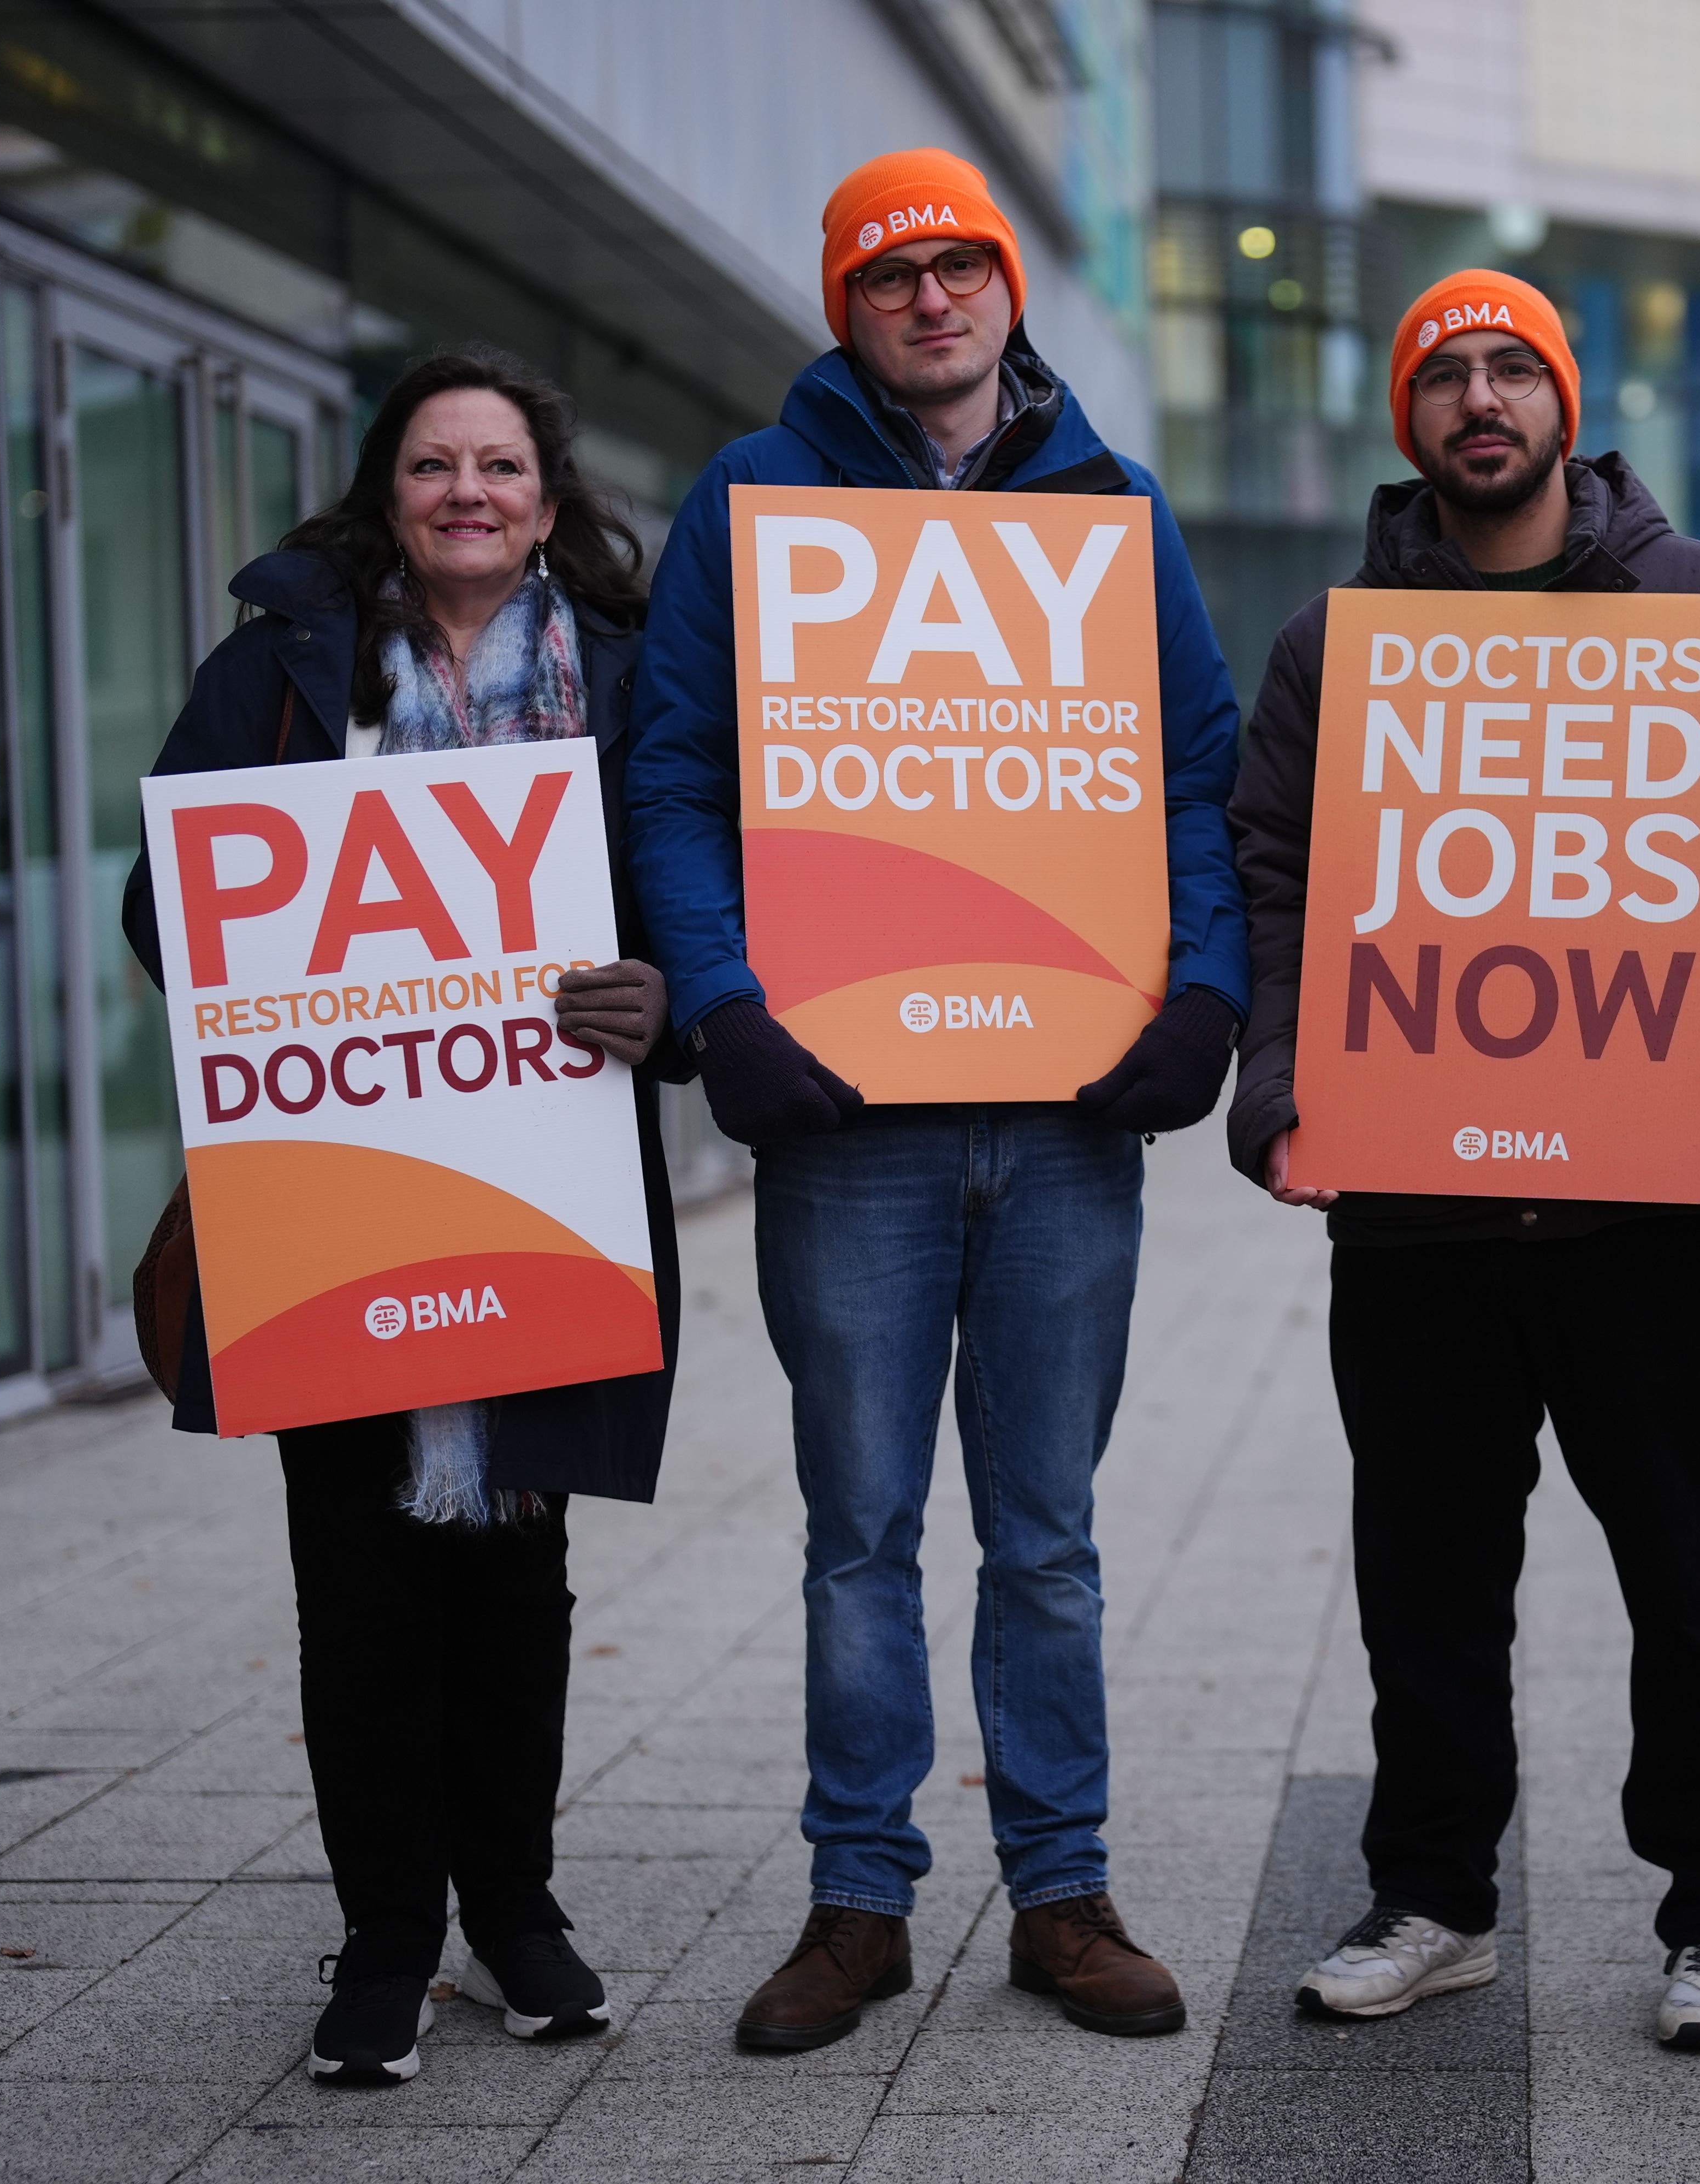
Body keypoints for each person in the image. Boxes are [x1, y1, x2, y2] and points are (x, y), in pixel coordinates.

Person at [623, 150, 1248, 2050]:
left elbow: (1194, 783)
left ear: (1005, 290)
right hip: (853, 1126)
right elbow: (674, 777)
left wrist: (1205, 986)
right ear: (845, 306)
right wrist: (725, 1006)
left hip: (1064, 1121)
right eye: (889, 276)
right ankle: (856, 1902)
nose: (932, 300)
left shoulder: (1114, 516)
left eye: (960, 265)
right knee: (859, 1530)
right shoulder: (756, 499)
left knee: (1045, 1535)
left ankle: (1061, 1899)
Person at [1225, 271, 1700, 2049]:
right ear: (1410, 425)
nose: (1480, 399)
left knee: (1698, 1573)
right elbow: (1276, 870)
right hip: (1413, 1202)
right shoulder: (1338, 644)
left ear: (1565, 399)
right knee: (1425, 1578)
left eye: (1511, 369)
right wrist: (1278, 1090)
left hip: (1645, 1197)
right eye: (1445, 377)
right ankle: (1432, 1896)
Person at [121, 345, 688, 2087]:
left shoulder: (621, 678)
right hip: (338, 1201)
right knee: (355, 1583)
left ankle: (515, 1912)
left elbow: (687, 895)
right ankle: (383, 1937)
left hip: (552, 1189)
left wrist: (658, 999)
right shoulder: (281, 671)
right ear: (387, 491)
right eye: (434, 466)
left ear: (547, 500)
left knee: (522, 1576)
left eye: (500, 468)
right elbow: (168, 908)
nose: (467, 494)